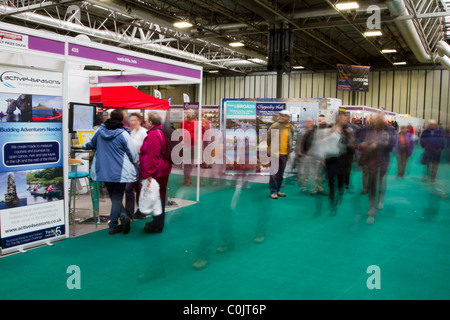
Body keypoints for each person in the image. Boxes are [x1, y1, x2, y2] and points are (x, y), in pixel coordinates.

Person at [83, 109, 139, 235]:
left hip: (103, 171)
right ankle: (114, 224)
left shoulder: (100, 131)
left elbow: (90, 144)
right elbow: (132, 153)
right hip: (120, 171)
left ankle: (122, 216)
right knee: (117, 197)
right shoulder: (123, 134)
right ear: (121, 120)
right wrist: (135, 162)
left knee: (114, 197)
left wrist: (83, 146)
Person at [360, 112, 397, 224]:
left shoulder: (390, 130)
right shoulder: (368, 129)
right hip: (372, 160)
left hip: (384, 159)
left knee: (381, 181)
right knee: (372, 184)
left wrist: (379, 144)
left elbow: (391, 145)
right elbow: (361, 141)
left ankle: (381, 199)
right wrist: (365, 144)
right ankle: (372, 209)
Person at [139, 111, 172, 233]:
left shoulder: (153, 134)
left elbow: (153, 155)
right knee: (160, 196)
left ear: (151, 122)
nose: (146, 122)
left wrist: (149, 173)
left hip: (157, 171)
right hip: (164, 168)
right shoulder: (161, 131)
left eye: (147, 120)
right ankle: (158, 223)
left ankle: (157, 224)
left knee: (156, 197)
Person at [267, 110, 295, 199]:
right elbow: (268, 137)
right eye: (281, 115)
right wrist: (271, 148)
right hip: (275, 153)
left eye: (284, 116)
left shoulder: (290, 127)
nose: (282, 117)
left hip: (285, 154)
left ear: (288, 118)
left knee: (280, 173)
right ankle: (273, 191)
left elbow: (291, 138)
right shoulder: (275, 125)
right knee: (274, 173)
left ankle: (278, 190)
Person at [125, 113, 148, 220]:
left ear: (139, 121)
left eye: (135, 120)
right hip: (132, 164)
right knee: (133, 187)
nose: (133, 122)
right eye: (131, 120)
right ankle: (134, 211)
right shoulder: (131, 132)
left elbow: (147, 148)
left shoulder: (144, 132)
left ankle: (142, 210)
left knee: (139, 187)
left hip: (141, 163)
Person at [294, 117, 316, 192]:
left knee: (313, 173)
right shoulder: (302, 131)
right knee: (303, 172)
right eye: (307, 121)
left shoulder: (315, 132)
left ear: (313, 122)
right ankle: (303, 186)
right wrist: (296, 151)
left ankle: (313, 189)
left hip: (312, 155)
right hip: (303, 155)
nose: (309, 123)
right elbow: (298, 142)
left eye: (310, 121)